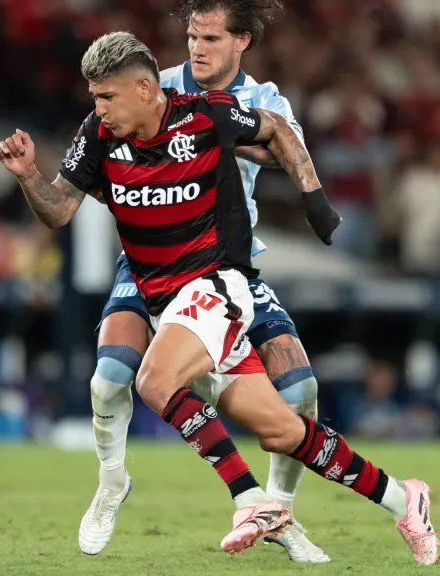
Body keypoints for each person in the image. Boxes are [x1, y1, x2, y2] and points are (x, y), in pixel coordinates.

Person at [0, 31, 439, 564]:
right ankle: (404, 498)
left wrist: (313, 198)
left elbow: (276, 130)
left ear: (144, 87)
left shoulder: (207, 114)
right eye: (94, 97)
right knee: (285, 432)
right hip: (161, 301)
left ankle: (252, 500)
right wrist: (28, 176)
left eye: (106, 96)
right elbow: (60, 209)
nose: (98, 107)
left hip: (216, 286)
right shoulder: (98, 134)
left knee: (153, 380)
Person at [75, 0, 329, 562]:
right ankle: (111, 482)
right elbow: (101, 150)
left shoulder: (265, 100)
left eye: (211, 38)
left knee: (301, 391)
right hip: (150, 263)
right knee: (109, 377)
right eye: (192, 36)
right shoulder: (154, 86)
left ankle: (279, 513)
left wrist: (222, 130)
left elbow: (287, 150)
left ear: (242, 42)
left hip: (227, 268)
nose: (197, 48)